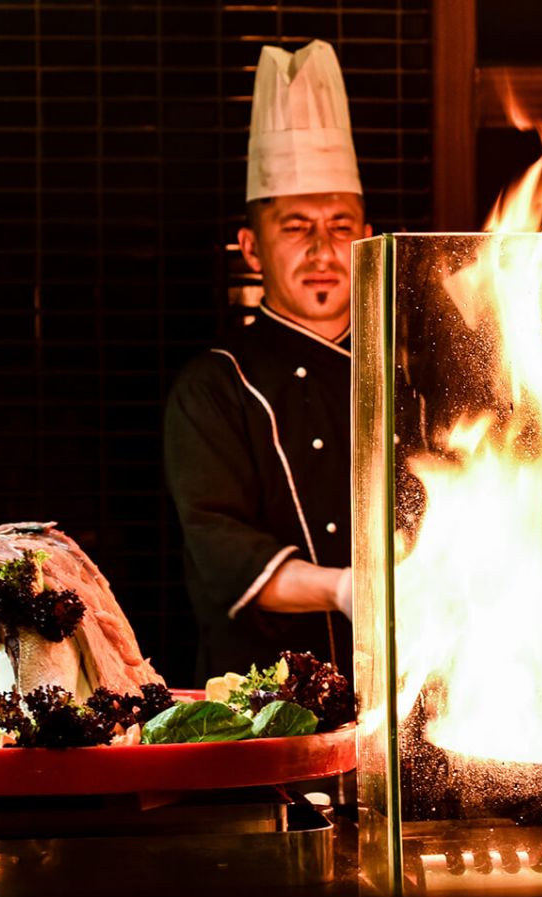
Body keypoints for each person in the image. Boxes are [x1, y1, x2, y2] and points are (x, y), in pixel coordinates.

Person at [164, 40, 368, 682]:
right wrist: (344, 589)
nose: (322, 250)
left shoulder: (406, 372)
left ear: (367, 240)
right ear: (252, 248)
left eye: (340, 226)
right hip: (266, 704)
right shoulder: (214, 386)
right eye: (296, 227)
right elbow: (220, 549)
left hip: (408, 694)